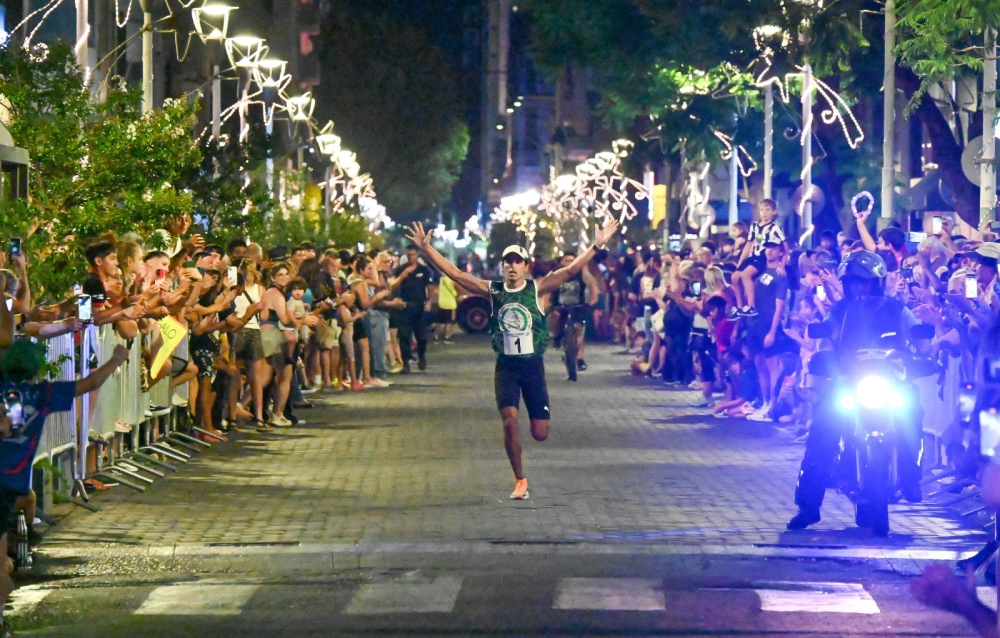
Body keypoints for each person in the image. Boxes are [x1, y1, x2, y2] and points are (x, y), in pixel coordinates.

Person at [405, 219, 620, 500]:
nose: (512, 266)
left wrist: (596, 245)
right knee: (509, 420)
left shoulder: (537, 289)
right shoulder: (494, 291)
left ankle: (535, 434)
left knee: (540, 433)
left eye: (517, 262)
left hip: (532, 368)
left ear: (526, 266)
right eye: (508, 262)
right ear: (502, 266)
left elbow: (570, 270)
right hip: (506, 367)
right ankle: (520, 480)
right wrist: (427, 249)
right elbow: (456, 274)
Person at [0, 337, 130, 637]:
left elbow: (10, 422)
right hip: (8, 485)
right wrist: (117, 359)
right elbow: (88, 383)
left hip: (7, 487)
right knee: (2, 567)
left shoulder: (11, 392)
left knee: (4, 562)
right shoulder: (43, 393)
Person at [787, 250, 923, 530]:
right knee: (822, 432)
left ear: (877, 282)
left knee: (913, 410)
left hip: (889, 381)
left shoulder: (898, 309)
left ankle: (910, 477)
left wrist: (922, 345)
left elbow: (917, 332)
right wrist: (820, 339)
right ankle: (808, 505)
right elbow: (826, 335)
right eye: (852, 283)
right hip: (848, 383)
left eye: (864, 282)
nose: (859, 288)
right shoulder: (840, 311)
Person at [730, 199, 785, 318]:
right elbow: (749, 245)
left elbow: (784, 247)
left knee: (745, 275)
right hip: (753, 256)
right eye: (762, 210)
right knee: (734, 277)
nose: (764, 213)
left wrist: (782, 264)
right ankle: (740, 307)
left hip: (762, 258)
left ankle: (751, 306)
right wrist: (739, 264)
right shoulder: (754, 226)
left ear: (773, 212)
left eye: (767, 210)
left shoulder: (775, 228)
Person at [393, 245, 434, 373]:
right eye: (409, 255)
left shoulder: (424, 270)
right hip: (405, 306)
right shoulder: (401, 270)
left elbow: (430, 287)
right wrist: (403, 275)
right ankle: (406, 363)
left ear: (417, 255)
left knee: (422, 336)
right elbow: (392, 285)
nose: (411, 257)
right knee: (404, 336)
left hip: (420, 306)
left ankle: (421, 356)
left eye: (413, 254)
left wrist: (429, 302)